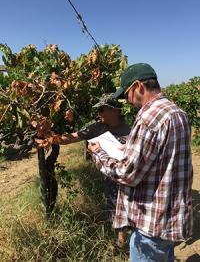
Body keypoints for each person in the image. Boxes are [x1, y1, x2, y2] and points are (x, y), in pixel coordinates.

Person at [88, 63, 193, 262]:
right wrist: (129, 147)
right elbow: (162, 153)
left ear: (138, 87)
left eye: (126, 94)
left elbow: (127, 173)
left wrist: (99, 154)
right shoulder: (176, 112)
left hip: (151, 223)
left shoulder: (148, 119)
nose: (126, 101)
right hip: (169, 215)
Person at [35, 93, 131, 247]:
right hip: (110, 177)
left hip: (129, 176)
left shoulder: (131, 129)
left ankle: (131, 240)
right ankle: (121, 241)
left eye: (101, 109)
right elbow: (74, 136)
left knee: (130, 206)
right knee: (113, 205)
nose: (98, 113)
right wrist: (51, 139)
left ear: (114, 110)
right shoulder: (97, 127)